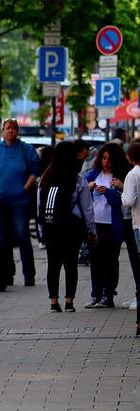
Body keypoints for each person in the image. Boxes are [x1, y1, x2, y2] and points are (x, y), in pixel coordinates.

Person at [38, 142, 96, 313]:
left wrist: (42, 230)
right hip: (72, 227)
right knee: (70, 264)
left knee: (53, 264)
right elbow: (87, 208)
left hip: (50, 227)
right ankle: (69, 301)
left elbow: (39, 205)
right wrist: (92, 230)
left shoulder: (45, 178)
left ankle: (53, 302)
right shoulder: (78, 179)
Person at [0, 119, 40, 287]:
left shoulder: (26, 149)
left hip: (20, 200)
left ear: (17, 131)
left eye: (13, 128)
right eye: (8, 128)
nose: (10, 131)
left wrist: (25, 188)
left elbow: (34, 172)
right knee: (4, 238)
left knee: (22, 235)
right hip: (0, 200)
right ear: (3, 131)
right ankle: (7, 275)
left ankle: (29, 276)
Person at [84, 143, 129, 309]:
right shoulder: (94, 174)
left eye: (110, 159)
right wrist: (87, 188)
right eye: (104, 158)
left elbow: (122, 202)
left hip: (112, 225)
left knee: (110, 261)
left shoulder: (120, 177)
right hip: (95, 223)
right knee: (95, 260)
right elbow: (80, 193)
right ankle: (96, 293)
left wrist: (109, 192)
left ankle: (108, 295)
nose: (106, 162)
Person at [120, 143, 140, 336]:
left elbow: (129, 201)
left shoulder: (132, 175)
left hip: (138, 225)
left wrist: (120, 196)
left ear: (129, 157)